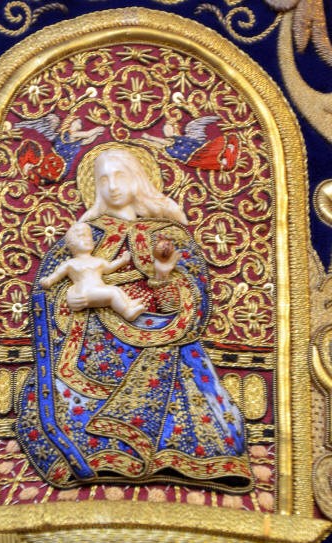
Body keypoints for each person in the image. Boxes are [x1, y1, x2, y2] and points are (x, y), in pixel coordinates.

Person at [17, 147, 252, 491]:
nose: (112, 186)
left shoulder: (169, 235)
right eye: (103, 179)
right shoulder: (84, 235)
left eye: (120, 176)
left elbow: (193, 296)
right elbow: (48, 290)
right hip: (92, 339)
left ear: (138, 179)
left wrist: (163, 276)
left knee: (175, 357)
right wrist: (70, 300)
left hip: (160, 332)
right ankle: (101, 453)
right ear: (95, 188)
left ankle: (178, 455)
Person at [40, 222, 146, 321]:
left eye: (89, 237)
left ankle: (129, 303)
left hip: (98, 290)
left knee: (115, 289)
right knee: (113, 293)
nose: (87, 240)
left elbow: (109, 268)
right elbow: (57, 274)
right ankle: (127, 313)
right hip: (85, 293)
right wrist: (48, 281)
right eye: (82, 236)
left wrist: (122, 261)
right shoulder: (70, 263)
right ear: (72, 243)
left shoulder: (98, 260)